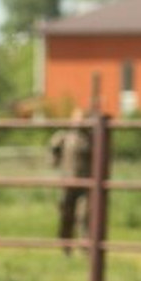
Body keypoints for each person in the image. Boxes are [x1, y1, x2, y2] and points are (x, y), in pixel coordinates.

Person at [48, 109, 94, 254]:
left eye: (82, 119)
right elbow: (52, 155)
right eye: (77, 119)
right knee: (66, 214)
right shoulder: (63, 136)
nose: (79, 122)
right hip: (67, 182)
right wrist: (53, 157)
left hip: (85, 182)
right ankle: (65, 246)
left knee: (84, 215)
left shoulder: (90, 139)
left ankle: (85, 246)